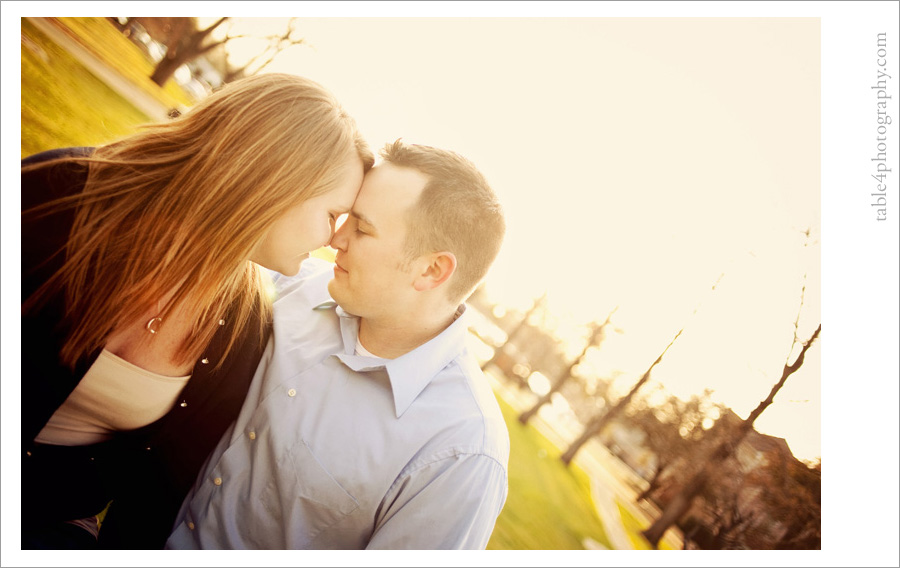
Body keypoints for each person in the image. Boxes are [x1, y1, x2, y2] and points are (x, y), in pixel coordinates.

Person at [21, 73, 374, 549]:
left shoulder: (241, 330)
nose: (335, 239)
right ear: (276, 183)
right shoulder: (66, 196)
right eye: (333, 214)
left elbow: (154, 499)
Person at [166, 140, 509, 550]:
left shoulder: (460, 453)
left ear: (432, 269)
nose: (335, 238)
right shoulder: (291, 285)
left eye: (362, 228)